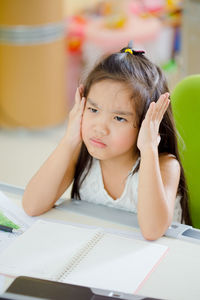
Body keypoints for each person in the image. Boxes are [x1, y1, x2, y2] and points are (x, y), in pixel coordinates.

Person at [22, 43, 191, 240]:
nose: (100, 128)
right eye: (93, 110)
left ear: (147, 123)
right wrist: (70, 139)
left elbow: (152, 231)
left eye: (119, 118)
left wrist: (148, 148)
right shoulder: (82, 155)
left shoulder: (164, 165)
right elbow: (32, 205)